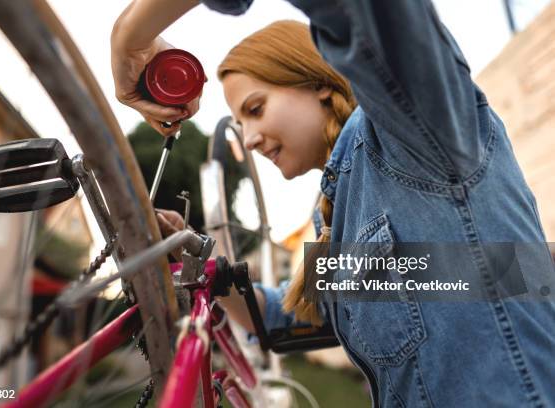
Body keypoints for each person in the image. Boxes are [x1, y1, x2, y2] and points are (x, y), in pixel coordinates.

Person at [111, 1, 555, 407]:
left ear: (317, 84)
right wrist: (201, 262)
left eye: (256, 108)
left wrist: (131, 33)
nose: (247, 138)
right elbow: (294, 317)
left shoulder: (416, 131)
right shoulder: (332, 213)